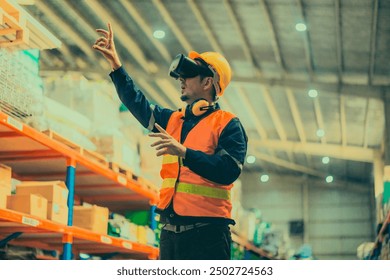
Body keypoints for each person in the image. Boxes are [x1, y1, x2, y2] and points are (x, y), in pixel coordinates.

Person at [93, 23, 248, 260]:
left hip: (208, 238)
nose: (181, 81)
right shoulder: (173, 119)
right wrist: (116, 65)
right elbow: (137, 103)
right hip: (169, 235)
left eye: (188, 76)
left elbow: (228, 171)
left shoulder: (228, 124)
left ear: (208, 83)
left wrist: (185, 152)